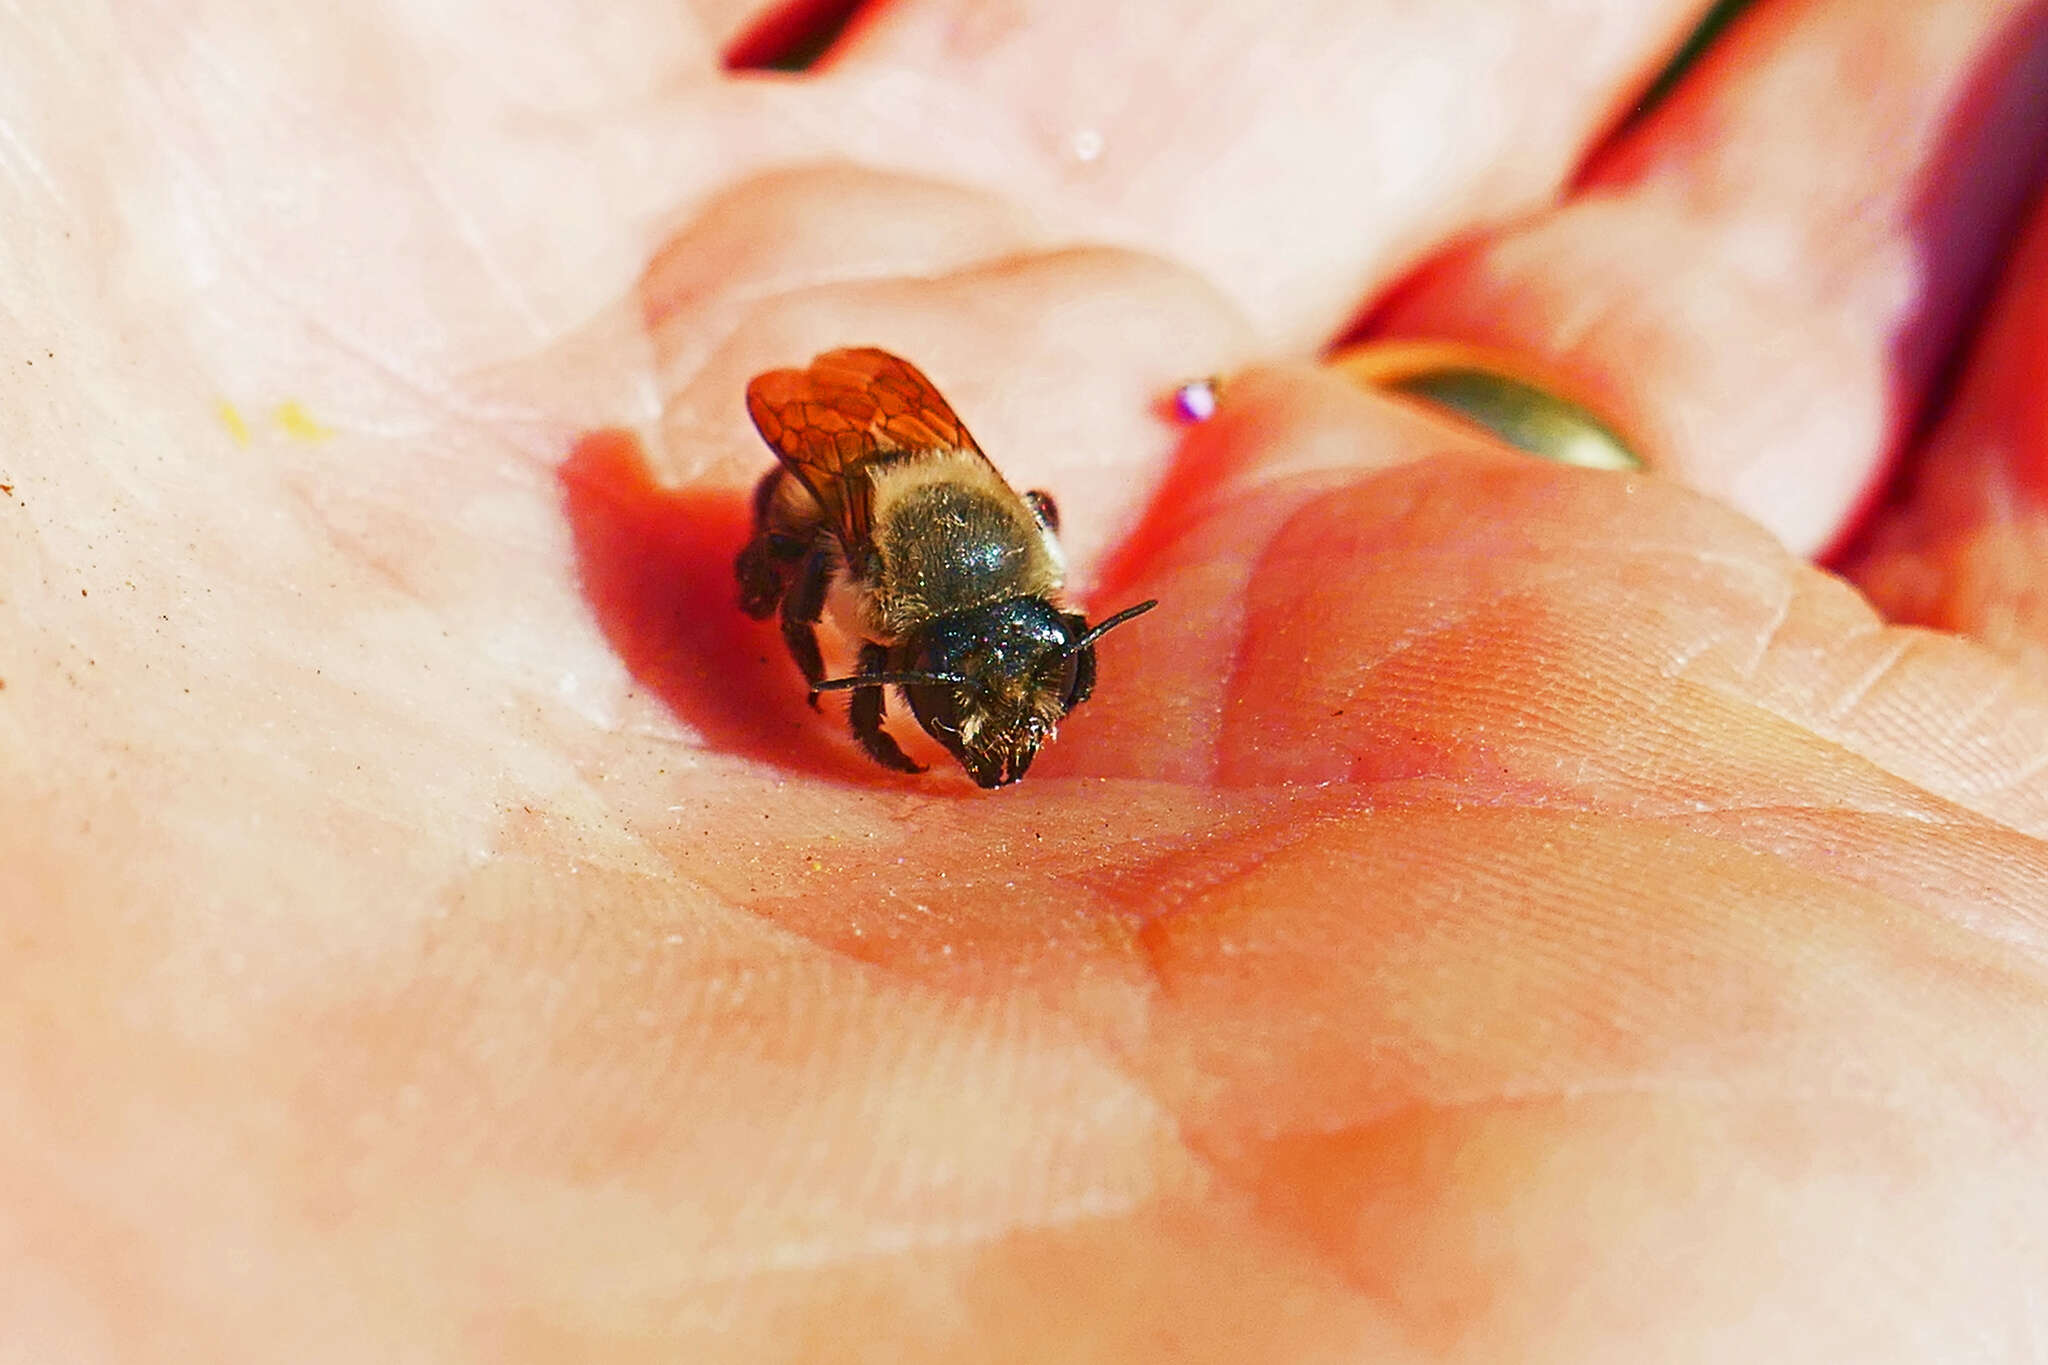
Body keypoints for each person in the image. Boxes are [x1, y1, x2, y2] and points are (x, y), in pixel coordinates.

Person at [7, 0, 2047, 1355]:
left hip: (957, 478)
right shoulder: (891, 576)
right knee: (794, 555)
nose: (1003, 711)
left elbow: (1014, 599)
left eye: (1018, 679)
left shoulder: (1014, 584)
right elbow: (859, 530)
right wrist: (825, 665)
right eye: (982, 688)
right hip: (866, 474)